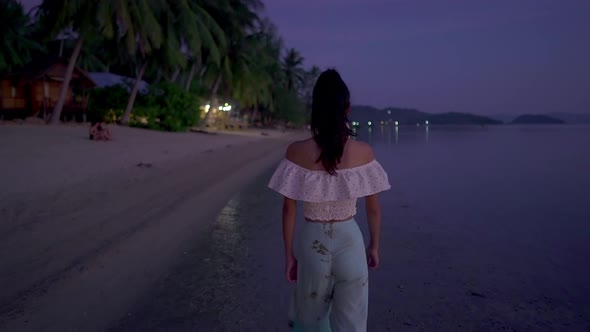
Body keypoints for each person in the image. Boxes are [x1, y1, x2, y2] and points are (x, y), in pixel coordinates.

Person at [268, 69, 390, 331]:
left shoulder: (296, 151)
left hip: (313, 243)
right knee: (352, 324)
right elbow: (374, 209)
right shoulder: (364, 152)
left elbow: (289, 210)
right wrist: (374, 246)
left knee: (311, 321)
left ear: (316, 109)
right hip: (351, 241)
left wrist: (289, 255)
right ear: (347, 108)